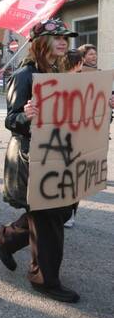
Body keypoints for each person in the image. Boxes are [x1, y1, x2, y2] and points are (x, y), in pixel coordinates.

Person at [0, 19, 114, 303]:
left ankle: (5, 239)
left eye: (65, 37)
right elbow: (11, 120)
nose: (63, 41)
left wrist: (103, 108)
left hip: (59, 156)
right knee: (49, 220)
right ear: (40, 43)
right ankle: (43, 279)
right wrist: (27, 115)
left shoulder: (60, 72)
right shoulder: (24, 75)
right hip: (33, 159)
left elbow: (75, 116)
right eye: (56, 37)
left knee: (54, 214)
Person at [61, 49, 84, 228]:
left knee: (73, 178)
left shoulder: (83, 80)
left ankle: (69, 213)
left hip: (75, 137)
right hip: (64, 139)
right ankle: (66, 212)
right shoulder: (62, 81)